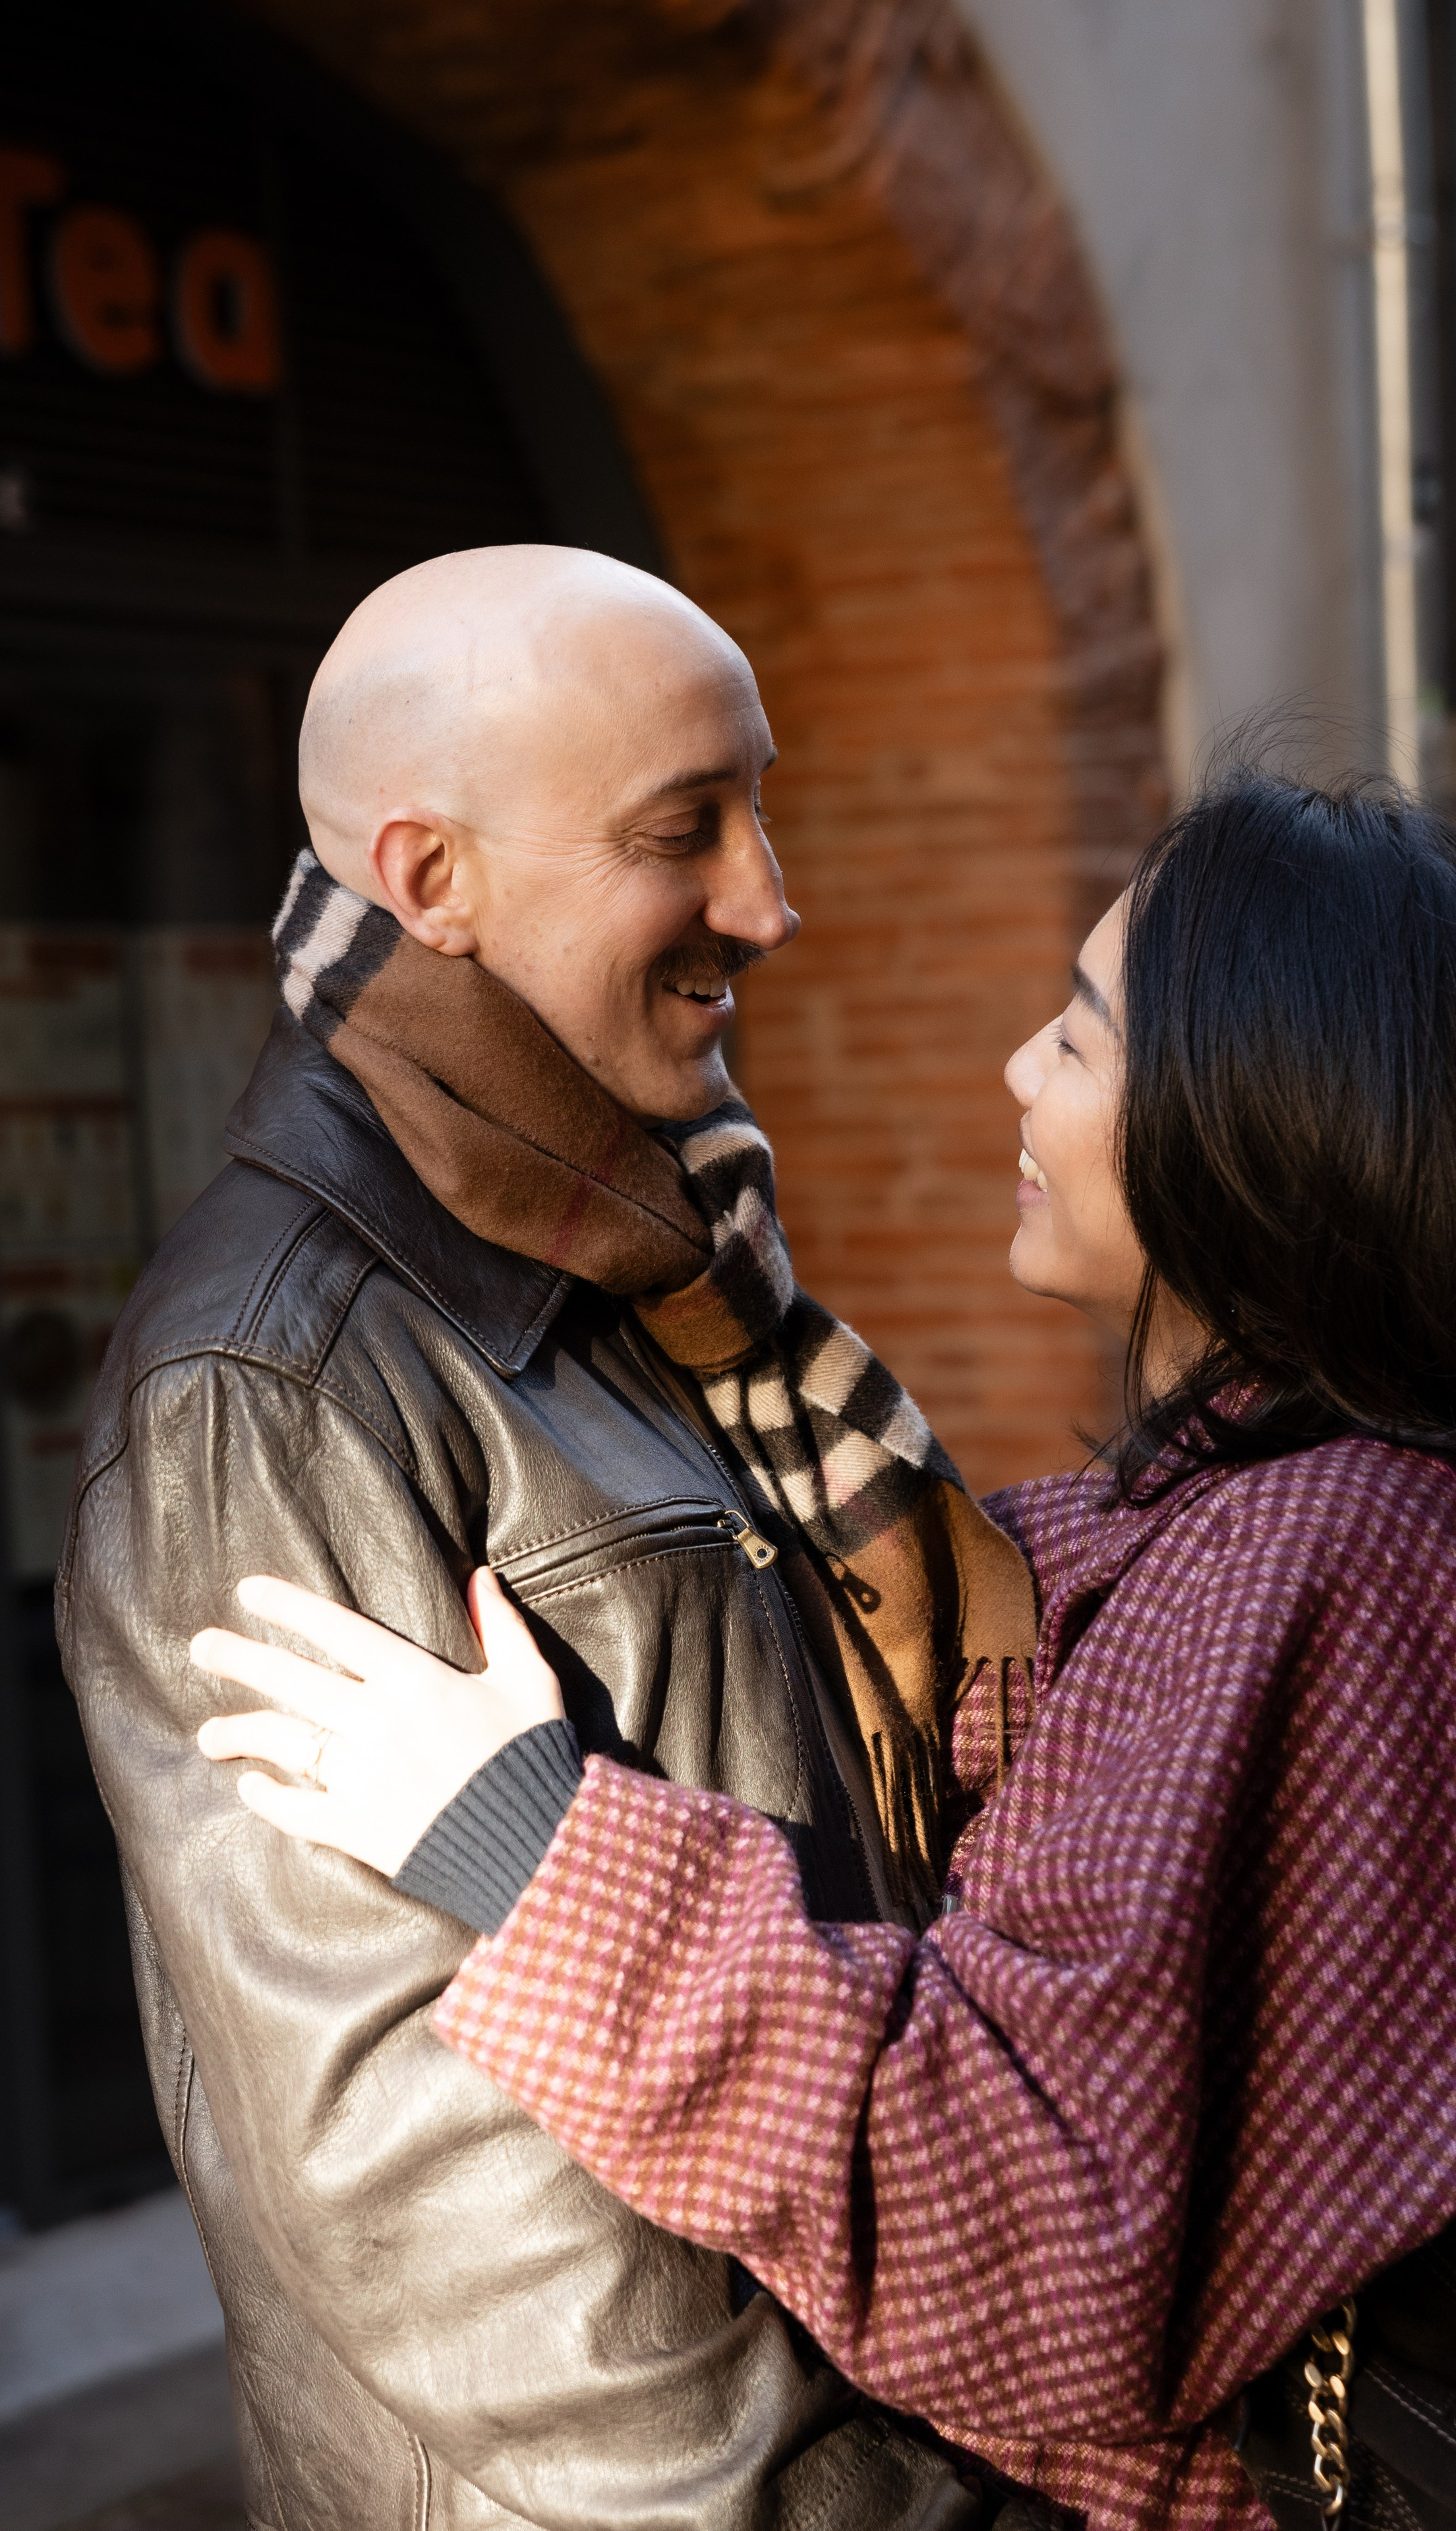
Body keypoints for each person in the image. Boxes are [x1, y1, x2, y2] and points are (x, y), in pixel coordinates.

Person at [194, 777, 1456, 2531]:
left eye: (1082, 1029)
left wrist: (535, 1855)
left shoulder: (1333, 1558)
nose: (1017, 1073)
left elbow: (1032, 2248)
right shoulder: (1310, 1529)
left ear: (1264, 1123)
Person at [59, 544, 1043, 2531]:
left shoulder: (652, 1255)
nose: (769, 901)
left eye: (760, 809)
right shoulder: (269, 1386)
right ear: (430, 884)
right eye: (689, 831)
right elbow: (460, 2223)